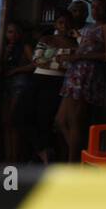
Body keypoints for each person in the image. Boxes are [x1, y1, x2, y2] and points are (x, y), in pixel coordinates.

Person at [57, 0, 106, 162]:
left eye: (99, 7)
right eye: (93, 7)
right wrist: (71, 56)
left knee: (75, 121)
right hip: (74, 73)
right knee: (61, 120)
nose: (95, 10)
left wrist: (79, 57)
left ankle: (74, 162)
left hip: (88, 75)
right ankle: (84, 156)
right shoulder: (89, 28)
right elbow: (84, 48)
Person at [27, 13, 75, 163]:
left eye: (67, 23)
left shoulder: (76, 42)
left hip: (58, 83)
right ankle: (40, 150)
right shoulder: (46, 39)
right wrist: (61, 62)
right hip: (39, 79)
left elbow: (74, 63)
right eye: (60, 22)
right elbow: (37, 60)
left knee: (48, 118)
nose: (64, 26)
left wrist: (53, 61)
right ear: (55, 24)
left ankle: (48, 155)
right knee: (26, 115)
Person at [0, 22, 36, 165]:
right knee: (6, 122)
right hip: (6, 85)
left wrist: (17, 70)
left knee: (14, 121)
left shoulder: (25, 47)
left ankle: (15, 157)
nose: (12, 35)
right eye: (9, 32)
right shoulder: (5, 48)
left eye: (15, 32)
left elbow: (34, 64)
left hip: (20, 84)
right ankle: (8, 156)